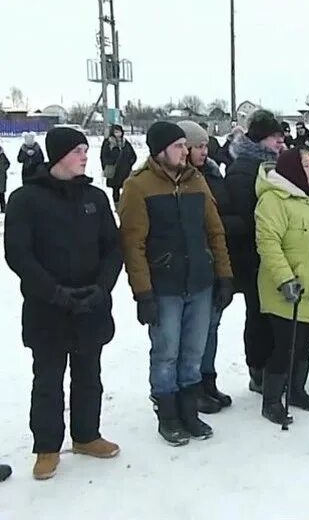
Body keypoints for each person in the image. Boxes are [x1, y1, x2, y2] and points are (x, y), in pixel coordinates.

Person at [4, 128, 123, 480]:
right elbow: (18, 255)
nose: (85, 156)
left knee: (89, 376)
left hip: (91, 304)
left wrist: (101, 289)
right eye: (78, 151)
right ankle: (46, 448)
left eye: (86, 149)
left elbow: (113, 248)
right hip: (48, 307)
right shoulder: (26, 199)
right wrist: (54, 293)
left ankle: (87, 436)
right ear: (57, 155)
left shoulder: (95, 198)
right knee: (48, 380)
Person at [119, 121, 233, 446]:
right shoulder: (138, 186)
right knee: (167, 352)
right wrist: (143, 293)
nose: (186, 151)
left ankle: (189, 410)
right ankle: (168, 415)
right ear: (160, 150)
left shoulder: (197, 182)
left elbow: (215, 232)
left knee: (193, 352)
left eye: (186, 145)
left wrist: (223, 274)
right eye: (179, 146)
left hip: (200, 282)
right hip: (164, 287)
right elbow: (133, 244)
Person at [255, 148, 309, 424]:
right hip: (288, 291)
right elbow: (268, 244)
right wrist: (285, 279)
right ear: (291, 169)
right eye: (305, 165)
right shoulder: (273, 200)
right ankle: (272, 400)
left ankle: (297, 390)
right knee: (286, 345)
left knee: (305, 344)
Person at [223, 111, 285, 394]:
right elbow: (243, 215)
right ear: (261, 139)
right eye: (276, 139)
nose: (281, 144)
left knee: (272, 315)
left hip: (272, 253)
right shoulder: (243, 169)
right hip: (252, 256)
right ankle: (257, 369)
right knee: (258, 315)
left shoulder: (273, 165)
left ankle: (273, 367)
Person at [179, 121, 238, 413]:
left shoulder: (213, 174)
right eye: (198, 146)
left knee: (211, 327)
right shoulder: (178, 181)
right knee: (191, 333)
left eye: (205, 146)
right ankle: (191, 387)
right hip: (189, 266)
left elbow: (222, 212)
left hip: (215, 262)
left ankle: (207, 379)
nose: (204, 151)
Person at [100, 124, 137, 206]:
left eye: (119, 132)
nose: (118, 134)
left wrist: (130, 163)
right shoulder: (108, 142)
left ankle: (126, 204)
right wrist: (108, 165)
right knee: (115, 189)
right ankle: (117, 206)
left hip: (125, 170)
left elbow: (133, 155)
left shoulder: (125, 142)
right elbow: (103, 156)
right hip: (114, 170)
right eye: (116, 132)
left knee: (127, 188)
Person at [0, 144, 10, 212]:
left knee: (1, 194)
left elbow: (8, 163)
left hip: (1, 177)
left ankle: (3, 208)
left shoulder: (2, 156)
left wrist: (3, 169)